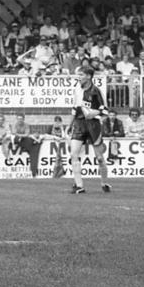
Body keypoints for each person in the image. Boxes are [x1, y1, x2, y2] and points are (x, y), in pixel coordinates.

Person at [60, 65, 111, 194]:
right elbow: (74, 108)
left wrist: (93, 113)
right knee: (74, 154)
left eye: (81, 75)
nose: (79, 77)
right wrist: (69, 125)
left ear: (88, 76)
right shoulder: (77, 89)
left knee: (100, 158)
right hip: (79, 124)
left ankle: (104, 183)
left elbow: (105, 111)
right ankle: (79, 186)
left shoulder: (96, 91)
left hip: (93, 125)